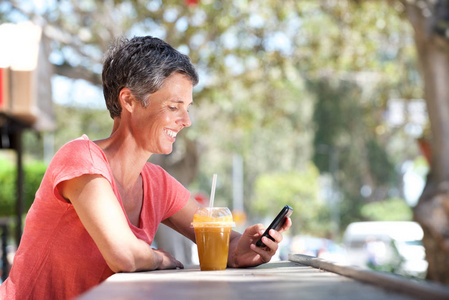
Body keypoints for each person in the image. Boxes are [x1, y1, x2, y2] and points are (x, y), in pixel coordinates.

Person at [0, 36, 291, 299]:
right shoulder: (81, 159)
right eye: (174, 107)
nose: (186, 121)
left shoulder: (157, 183)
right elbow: (124, 255)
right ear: (128, 100)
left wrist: (244, 249)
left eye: (187, 108)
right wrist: (160, 259)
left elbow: (221, 241)